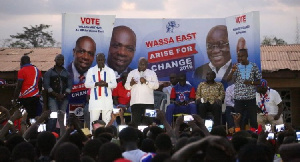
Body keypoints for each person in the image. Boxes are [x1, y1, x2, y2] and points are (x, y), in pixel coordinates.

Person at [227, 48, 262, 130]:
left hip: (251, 98)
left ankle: (255, 136)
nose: (240, 58)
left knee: (253, 119)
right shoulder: (237, 67)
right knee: (238, 119)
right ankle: (239, 135)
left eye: (242, 56)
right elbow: (228, 79)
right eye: (238, 56)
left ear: (246, 56)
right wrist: (232, 71)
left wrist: (251, 82)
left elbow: (260, 81)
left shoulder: (253, 66)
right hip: (238, 98)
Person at [84, 53, 117, 128]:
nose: (100, 61)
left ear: (105, 60)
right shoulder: (91, 71)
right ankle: (93, 138)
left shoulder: (110, 71)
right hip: (95, 102)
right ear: (96, 60)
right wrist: (96, 84)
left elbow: (114, 84)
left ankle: (106, 138)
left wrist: (106, 84)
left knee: (107, 122)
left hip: (106, 101)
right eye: (99, 60)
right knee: (93, 122)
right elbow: (86, 84)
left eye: (102, 60)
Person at [124, 57, 159, 126]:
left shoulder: (152, 73)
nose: (142, 66)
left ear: (147, 65)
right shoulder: (132, 73)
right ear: (138, 64)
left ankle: (148, 136)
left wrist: (146, 82)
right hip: (135, 102)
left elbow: (156, 86)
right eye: (141, 64)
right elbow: (126, 87)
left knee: (149, 122)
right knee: (135, 122)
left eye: (144, 65)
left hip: (149, 103)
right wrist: (131, 83)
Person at [67, 36, 96, 116]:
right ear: (74, 52)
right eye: (82, 51)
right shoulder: (64, 74)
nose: (85, 57)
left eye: (90, 53)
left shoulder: (96, 76)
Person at [43, 54, 72, 134]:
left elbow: (70, 86)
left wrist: (64, 94)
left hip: (64, 98)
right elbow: (46, 86)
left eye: (62, 60)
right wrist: (56, 94)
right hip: (52, 98)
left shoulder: (67, 73)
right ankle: (50, 133)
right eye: (58, 59)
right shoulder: (49, 72)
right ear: (55, 60)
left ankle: (60, 133)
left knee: (62, 116)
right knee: (54, 115)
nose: (60, 61)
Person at [13, 55, 42, 124]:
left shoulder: (21, 71)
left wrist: (14, 99)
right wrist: (39, 92)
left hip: (25, 97)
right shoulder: (37, 70)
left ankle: (25, 130)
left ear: (21, 62)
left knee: (25, 117)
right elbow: (40, 83)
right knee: (34, 116)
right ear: (29, 61)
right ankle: (34, 130)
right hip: (35, 97)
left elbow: (19, 86)